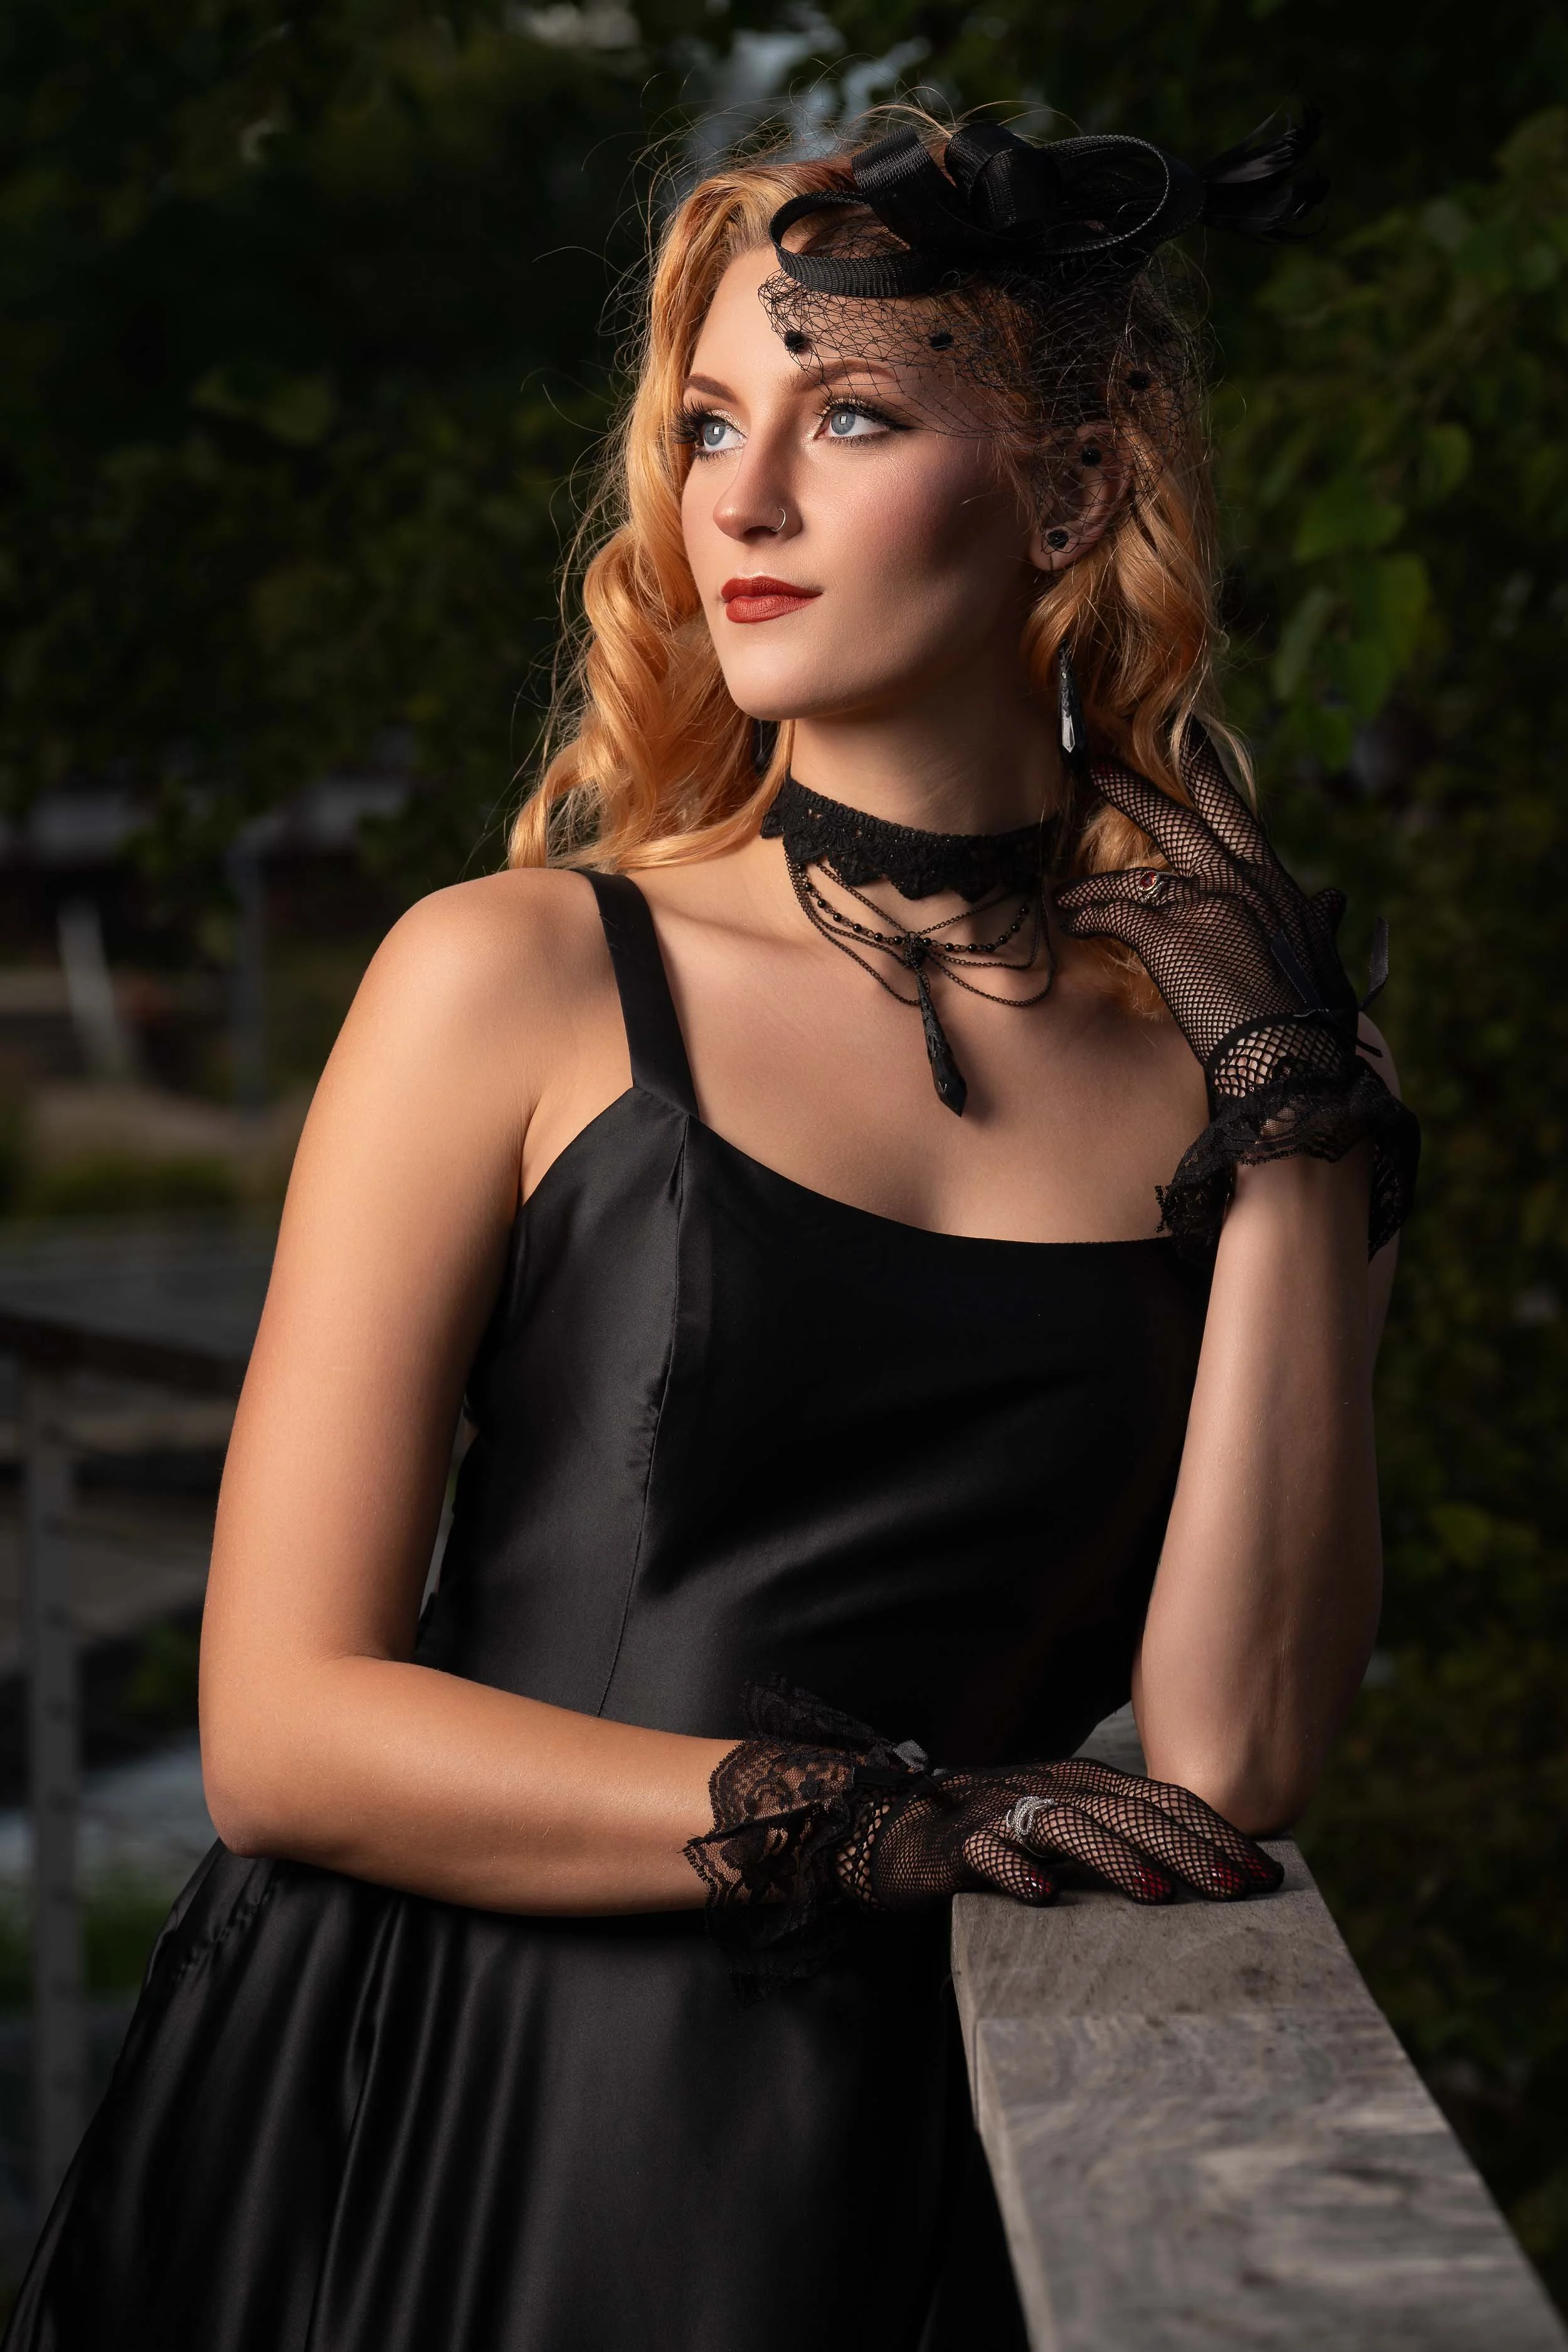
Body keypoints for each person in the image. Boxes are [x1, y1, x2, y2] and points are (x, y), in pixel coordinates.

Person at [4, 109, 1417, 2352]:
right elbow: (277, 1722)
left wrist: (1297, 1117)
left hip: (947, 2135)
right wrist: (879, 1819)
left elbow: (1233, 1755)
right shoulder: (512, 972)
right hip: (474, 2085)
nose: (736, 505)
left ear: (1065, 495)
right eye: (702, 428)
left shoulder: (1254, 1066)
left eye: (846, 417)